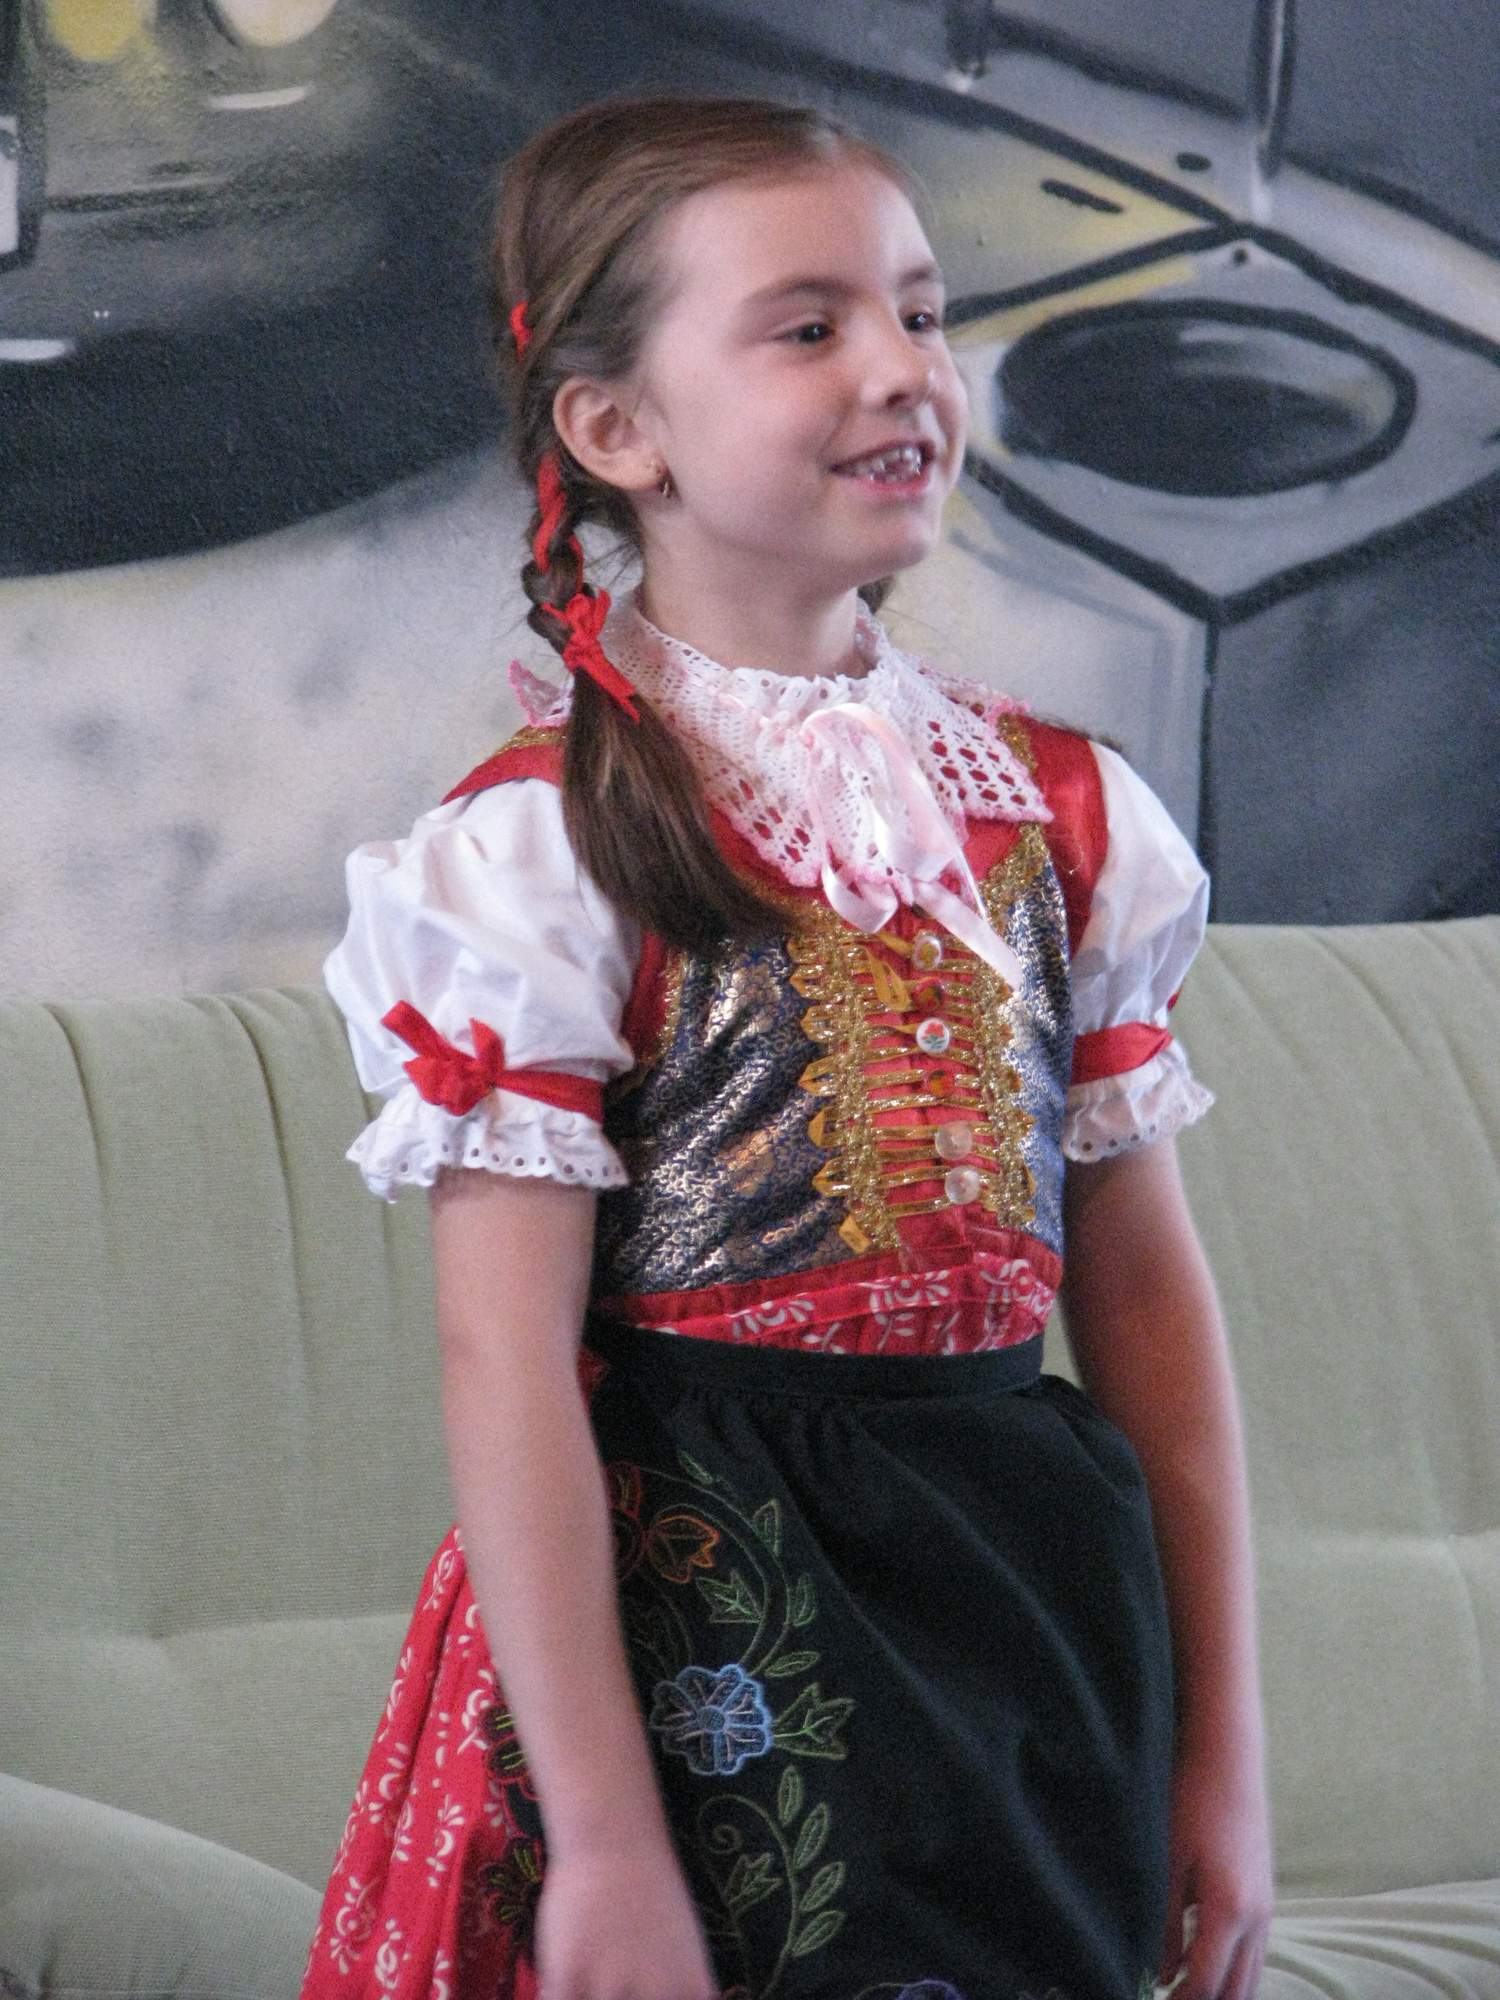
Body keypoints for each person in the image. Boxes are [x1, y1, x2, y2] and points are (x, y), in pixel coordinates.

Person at [301, 92, 1273, 2000]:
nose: (903, 368)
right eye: (808, 325)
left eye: (922, 309)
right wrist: (604, 1843)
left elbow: (1148, 1299)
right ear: (617, 430)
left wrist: (1222, 1749)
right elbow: (507, 1361)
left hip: (1035, 1611)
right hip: (702, 1625)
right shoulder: (541, 852)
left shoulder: (1066, 817)